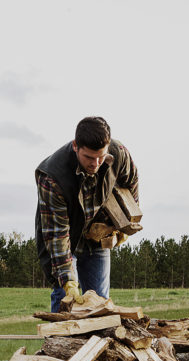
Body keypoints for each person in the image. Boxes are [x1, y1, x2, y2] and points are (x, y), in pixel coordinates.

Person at [35, 116, 139, 312]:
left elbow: (131, 181)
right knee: (65, 299)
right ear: (76, 146)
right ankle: (62, 341)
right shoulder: (52, 178)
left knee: (100, 304)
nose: (95, 163)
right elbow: (57, 235)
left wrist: (125, 223)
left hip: (97, 237)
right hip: (66, 239)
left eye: (101, 156)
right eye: (89, 158)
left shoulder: (119, 154)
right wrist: (68, 281)